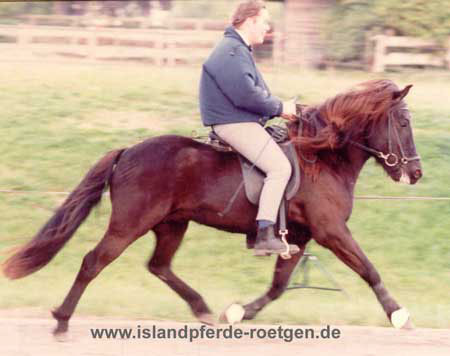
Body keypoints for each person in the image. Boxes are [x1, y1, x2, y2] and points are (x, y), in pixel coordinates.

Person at [199, 0, 299, 256]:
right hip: (234, 123)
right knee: (279, 168)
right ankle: (264, 235)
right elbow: (246, 95)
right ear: (250, 20)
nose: (267, 28)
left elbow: (254, 93)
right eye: (264, 22)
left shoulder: (238, 50)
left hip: (241, 120)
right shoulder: (232, 51)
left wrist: (280, 108)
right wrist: (280, 108)